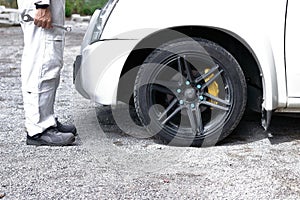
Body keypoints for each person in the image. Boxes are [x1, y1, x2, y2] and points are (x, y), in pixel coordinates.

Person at [17, 0, 77, 146]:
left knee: (50, 61)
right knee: (42, 62)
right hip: (40, 6)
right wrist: (41, 4)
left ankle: (46, 119)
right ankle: (38, 129)